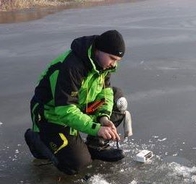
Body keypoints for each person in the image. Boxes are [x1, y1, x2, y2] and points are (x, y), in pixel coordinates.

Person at [24, 30, 132, 175]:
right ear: (98, 50)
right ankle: (37, 140)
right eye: (112, 58)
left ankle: (96, 145)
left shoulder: (104, 64)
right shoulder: (71, 67)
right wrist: (97, 128)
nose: (113, 64)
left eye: (117, 61)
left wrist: (103, 117)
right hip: (52, 115)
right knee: (77, 164)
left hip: (79, 106)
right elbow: (65, 110)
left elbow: (105, 91)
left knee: (117, 98)